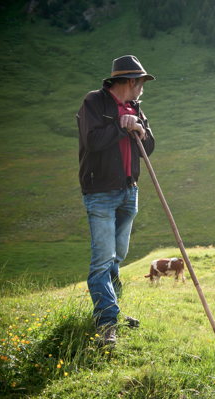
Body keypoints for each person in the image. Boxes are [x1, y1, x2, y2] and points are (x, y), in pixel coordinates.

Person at [77, 55, 156, 345]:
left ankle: (113, 307)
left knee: (117, 256)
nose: (143, 88)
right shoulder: (94, 103)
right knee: (102, 260)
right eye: (141, 82)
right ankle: (106, 323)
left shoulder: (136, 107)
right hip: (100, 192)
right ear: (131, 81)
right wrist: (122, 127)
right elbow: (93, 141)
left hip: (128, 189)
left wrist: (139, 128)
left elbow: (149, 146)